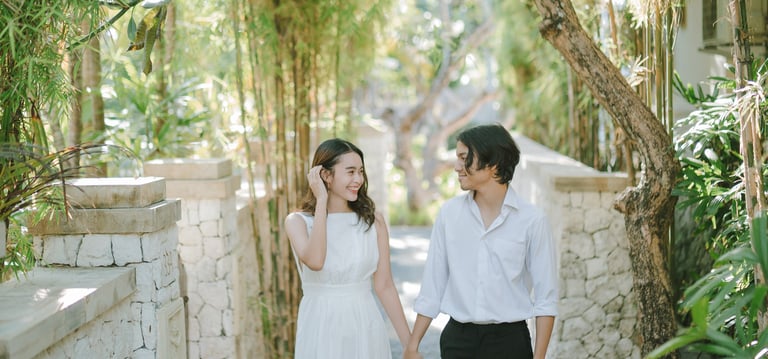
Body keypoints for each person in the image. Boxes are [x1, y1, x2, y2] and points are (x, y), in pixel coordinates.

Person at [403, 124, 558, 359]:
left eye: (464, 158)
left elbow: (546, 299)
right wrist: (412, 346)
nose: (456, 167)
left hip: (510, 343)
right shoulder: (449, 215)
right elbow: (432, 286)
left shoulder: (532, 221)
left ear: (493, 163)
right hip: (458, 341)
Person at [285, 138, 411, 358]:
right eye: (350, 172)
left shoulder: (374, 222)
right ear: (326, 176)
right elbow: (316, 261)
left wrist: (410, 346)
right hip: (321, 325)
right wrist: (321, 201)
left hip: (365, 323)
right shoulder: (298, 222)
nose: (358, 179)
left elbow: (385, 286)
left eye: (360, 172)